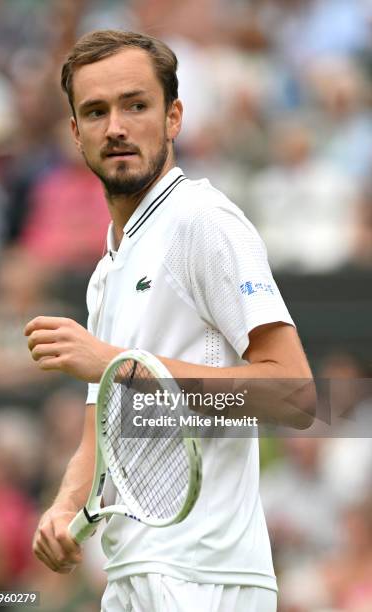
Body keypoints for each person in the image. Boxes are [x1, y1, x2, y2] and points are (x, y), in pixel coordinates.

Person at [25, 30, 313, 612]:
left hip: (205, 579)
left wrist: (116, 364)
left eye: (136, 105)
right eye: (96, 112)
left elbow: (294, 395)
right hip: (133, 576)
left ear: (174, 116)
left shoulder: (203, 222)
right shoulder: (109, 267)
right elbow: (97, 437)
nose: (117, 128)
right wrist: (64, 509)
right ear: (76, 133)